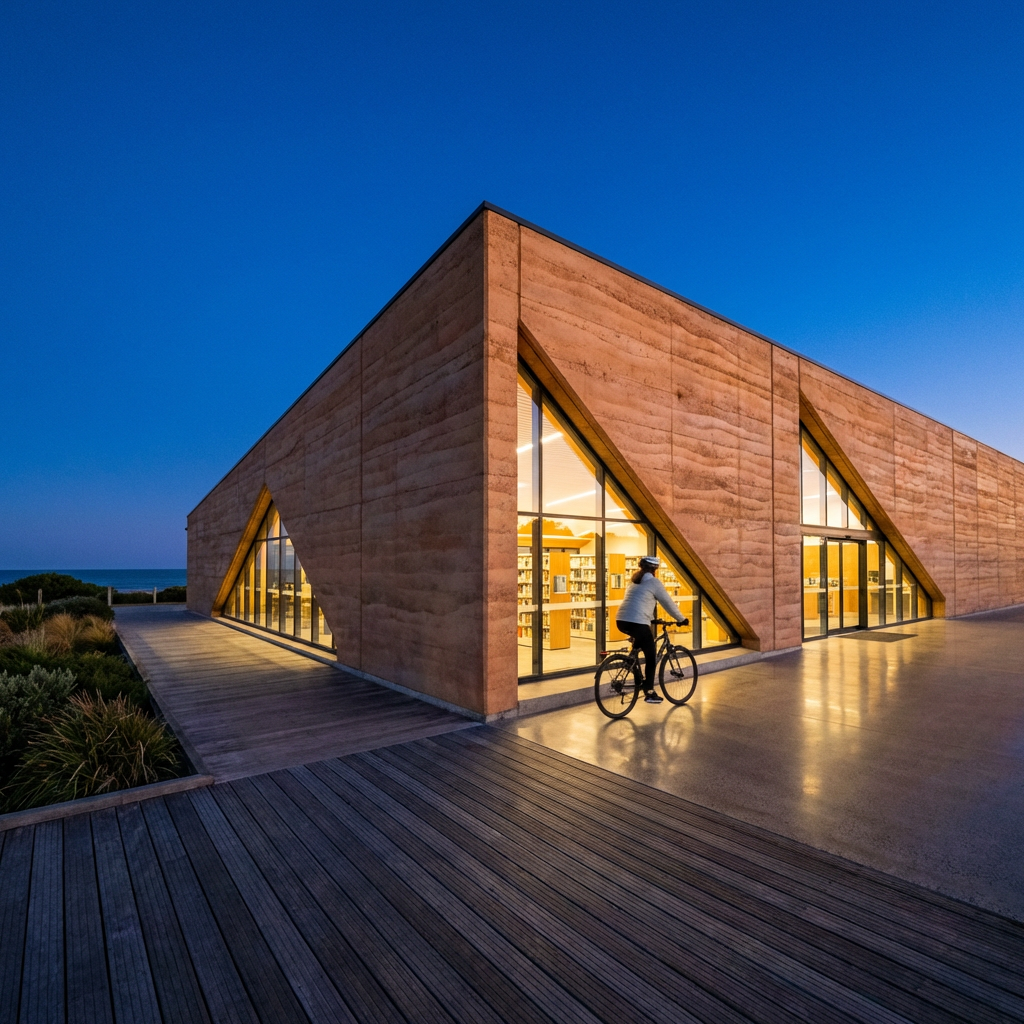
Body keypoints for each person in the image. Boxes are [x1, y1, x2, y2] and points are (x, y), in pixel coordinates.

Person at [615, 556, 688, 703]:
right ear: (654, 569)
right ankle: (649, 691)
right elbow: (668, 603)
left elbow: (639, 602)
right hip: (637, 622)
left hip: (621, 620)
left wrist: (650, 618)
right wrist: (682, 619)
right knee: (651, 656)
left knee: (638, 646)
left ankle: (634, 674)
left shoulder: (633, 582)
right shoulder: (654, 582)